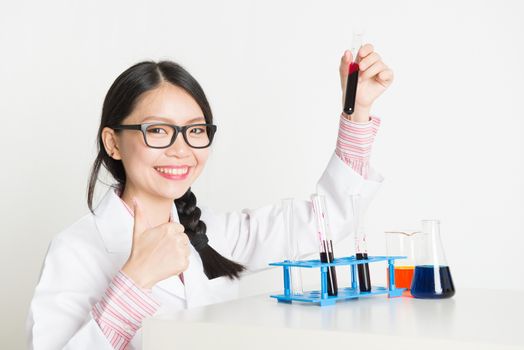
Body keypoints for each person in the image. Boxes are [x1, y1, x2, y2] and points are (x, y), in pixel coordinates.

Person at [27, 44, 393, 349]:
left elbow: (328, 219)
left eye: (195, 131)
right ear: (113, 142)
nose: (181, 150)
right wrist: (134, 281)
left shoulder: (216, 234)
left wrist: (356, 112)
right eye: (157, 130)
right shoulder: (75, 250)